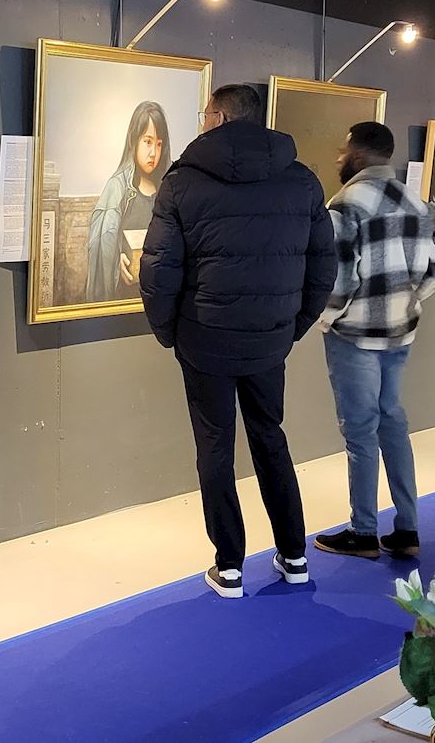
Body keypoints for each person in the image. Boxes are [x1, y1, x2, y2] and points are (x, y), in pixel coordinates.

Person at [140, 84, 336, 600]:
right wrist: (292, 326)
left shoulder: (182, 182)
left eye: (205, 114)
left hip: (204, 338)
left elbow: (158, 269)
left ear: (220, 117)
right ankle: (295, 555)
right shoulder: (301, 180)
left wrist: (168, 332)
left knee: (215, 447)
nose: (202, 121)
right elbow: (324, 266)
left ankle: (229, 566)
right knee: (270, 437)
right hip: (269, 341)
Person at [312, 122, 435, 560]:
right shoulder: (415, 201)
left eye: (343, 150)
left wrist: (325, 319)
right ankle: (407, 528)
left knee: (360, 432)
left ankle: (364, 531)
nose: (338, 157)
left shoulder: (345, 204)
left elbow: (340, 280)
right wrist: (406, 300)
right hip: (400, 332)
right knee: (392, 421)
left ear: (357, 154)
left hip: (355, 336)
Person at [86, 101, 171, 301]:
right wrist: (116, 261)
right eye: (148, 142)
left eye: (159, 144)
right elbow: (101, 245)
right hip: (124, 296)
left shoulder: (168, 189)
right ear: (134, 141)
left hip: (161, 293)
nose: (153, 153)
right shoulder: (117, 188)